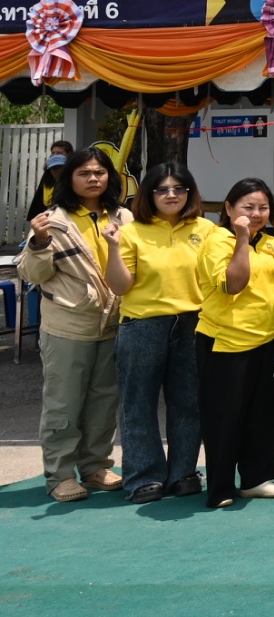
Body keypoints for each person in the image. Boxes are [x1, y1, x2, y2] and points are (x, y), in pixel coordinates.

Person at [21, 148, 125, 501]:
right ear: (69, 178)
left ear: (110, 176)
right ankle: (60, 475)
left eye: (100, 172)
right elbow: (32, 274)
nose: (93, 178)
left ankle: (95, 466)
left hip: (113, 324)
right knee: (63, 404)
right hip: (67, 326)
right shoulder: (52, 220)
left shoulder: (124, 216)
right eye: (84, 173)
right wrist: (39, 242)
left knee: (103, 403)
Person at [103, 161, 209, 505]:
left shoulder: (206, 229)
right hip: (143, 324)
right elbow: (120, 286)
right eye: (162, 189)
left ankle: (183, 472)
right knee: (139, 404)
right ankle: (144, 477)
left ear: (190, 192)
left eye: (179, 188)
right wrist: (113, 247)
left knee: (189, 402)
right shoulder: (132, 231)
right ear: (148, 194)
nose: (171, 195)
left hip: (193, 322)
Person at [194, 180, 274, 508]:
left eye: (263, 208)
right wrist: (241, 238)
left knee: (265, 415)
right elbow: (232, 285)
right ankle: (221, 486)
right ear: (228, 208)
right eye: (247, 207)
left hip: (268, 344)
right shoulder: (216, 240)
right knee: (224, 419)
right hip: (225, 344)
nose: (256, 214)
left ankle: (256, 479)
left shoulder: (269, 242)